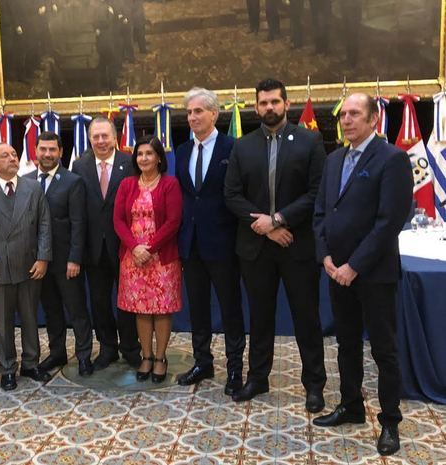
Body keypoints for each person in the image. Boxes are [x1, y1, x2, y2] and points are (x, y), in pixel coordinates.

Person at [312, 93, 413, 456]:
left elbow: (389, 222)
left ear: (374, 120)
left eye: (355, 114)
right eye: (344, 114)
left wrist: (354, 266)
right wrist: (325, 257)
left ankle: (390, 421)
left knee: (384, 350)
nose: (347, 120)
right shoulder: (334, 158)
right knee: (347, 343)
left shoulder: (393, 159)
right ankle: (351, 405)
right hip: (336, 272)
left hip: (372, 274)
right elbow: (322, 211)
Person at [224, 78, 327, 412]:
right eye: (263, 103)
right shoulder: (242, 146)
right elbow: (232, 195)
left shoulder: (310, 140)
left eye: (275, 102)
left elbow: (316, 193)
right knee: (260, 317)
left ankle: (314, 385)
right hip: (256, 248)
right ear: (256, 107)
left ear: (286, 104)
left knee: (306, 318)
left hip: (296, 245)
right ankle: (258, 378)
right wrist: (266, 228)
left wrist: (279, 219)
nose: (269, 107)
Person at [175, 88, 245, 395]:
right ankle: (203, 362)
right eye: (189, 112)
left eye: (198, 111)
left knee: (230, 309)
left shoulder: (233, 148)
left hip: (223, 243)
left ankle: (234, 369)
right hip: (190, 245)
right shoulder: (180, 151)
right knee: (198, 308)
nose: (192, 117)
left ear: (214, 114)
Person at [0, 143, 52, 391]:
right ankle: (7, 369)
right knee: (4, 323)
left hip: (29, 265)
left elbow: (44, 225)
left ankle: (31, 363)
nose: (12, 158)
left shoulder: (33, 187)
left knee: (30, 318)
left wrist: (43, 258)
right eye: (5, 156)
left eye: (14, 154)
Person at [72, 117, 141, 370]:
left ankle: (131, 348)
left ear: (115, 137)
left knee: (126, 302)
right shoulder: (80, 166)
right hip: (93, 249)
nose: (101, 141)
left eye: (105, 136)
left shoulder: (129, 163)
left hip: (124, 247)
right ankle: (108, 347)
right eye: (96, 137)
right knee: (100, 302)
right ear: (90, 140)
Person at [114, 135, 183, 383]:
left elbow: (173, 222)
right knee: (141, 310)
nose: (144, 158)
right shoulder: (127, 185)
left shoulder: (170, 184)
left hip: (161, 258)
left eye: (149, 154)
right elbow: (119, 221)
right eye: (140, 154)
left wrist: (149, 248)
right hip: (133, 259)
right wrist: (135, 248)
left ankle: (160, 358)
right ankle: (146, 356)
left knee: (162, 310)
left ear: (159, 158)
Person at [25, 132, 94, 376]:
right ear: (35, 150)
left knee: (76, 310)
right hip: (39, 263)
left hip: (67, 262)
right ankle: (57, 353)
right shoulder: (26, 181)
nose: (47, 154)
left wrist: (75, 258)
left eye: (52, 150)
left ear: (61, 152)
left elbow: (79, 223)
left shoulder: (72, 181)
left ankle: (84, 355)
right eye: (43, 149)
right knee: (51, 310)